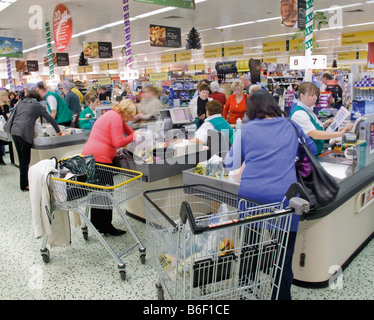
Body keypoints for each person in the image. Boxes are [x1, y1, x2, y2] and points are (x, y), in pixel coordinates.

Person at [225, 90, 317, 300]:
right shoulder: (291, 125)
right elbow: (311, 148)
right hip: (285, 198)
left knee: (250, 246)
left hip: (252, 198)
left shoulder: (246, 130)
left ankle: (246, 291)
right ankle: (281, 295)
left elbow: (231, 163)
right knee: (283, 254)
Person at [81, 99, 139, 236]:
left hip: (90, 158)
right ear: (126, 112)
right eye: (130, 116)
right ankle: (106, 226)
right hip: (100, 159)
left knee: (98, 193)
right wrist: (135, 137)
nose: (130, 119)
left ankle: (98, 224)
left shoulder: (112, 115)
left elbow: (129, 132)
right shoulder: (115, 118)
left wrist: (136, 134)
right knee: (106, 194)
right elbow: (118, 142)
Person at [10, 91, 61, 191]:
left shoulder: (21, 102)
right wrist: (58, 131)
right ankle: (24, 185)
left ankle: (24, 182)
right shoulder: (36, 105)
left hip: (14, 131)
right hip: (24, 132)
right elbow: (49, 118)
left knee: (22, 160)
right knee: (25, 160)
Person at [290, 82, 353, 155]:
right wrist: (340, 133)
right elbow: (315, 134)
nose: (315, 98)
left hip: (314, 154)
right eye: (312, 95)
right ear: (302, 96)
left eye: (316, 95)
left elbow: (310, 128)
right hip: (306, 157)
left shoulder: (308, 110)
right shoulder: (299, 114)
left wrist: (324, 124)